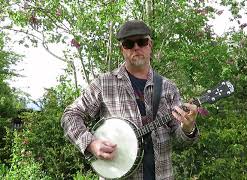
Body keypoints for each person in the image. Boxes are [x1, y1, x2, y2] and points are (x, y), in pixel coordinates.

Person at [61, 20, 199, 180]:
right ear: (122, 50)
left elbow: (181, 139)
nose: (136, 47)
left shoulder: (168, 88)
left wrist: (188, 128)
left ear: (150, 45)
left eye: (141, 41)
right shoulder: (104, 83)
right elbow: (70, 115)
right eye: (128, 44)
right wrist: (91, 144)